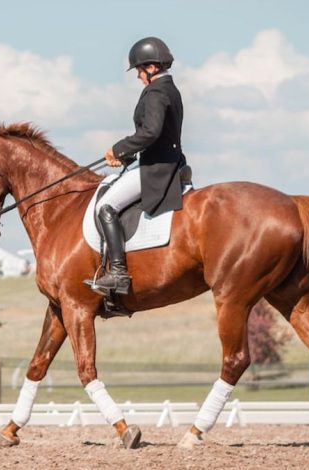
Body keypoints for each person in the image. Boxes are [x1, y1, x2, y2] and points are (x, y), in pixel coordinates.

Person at [86, 36, 188, 296]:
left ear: (151, 68)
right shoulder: (170, 89)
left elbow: (151, 132)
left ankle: (118, 273)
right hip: (165, 160)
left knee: (105, 205)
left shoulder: (155, 92)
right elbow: (159, 135)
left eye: (140, 70)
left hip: (156, 168)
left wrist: (119, 148)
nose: (138, 76)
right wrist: (127, 157)